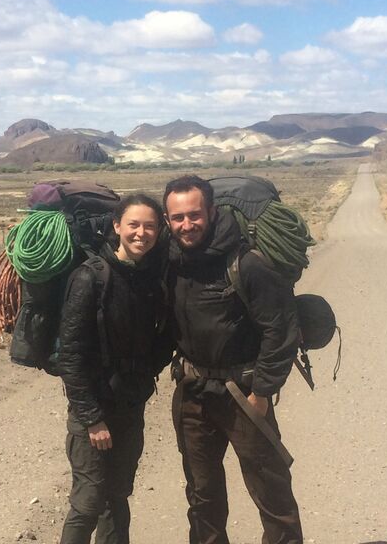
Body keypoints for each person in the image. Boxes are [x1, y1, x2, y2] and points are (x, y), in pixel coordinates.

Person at [163, 175, 303, 544]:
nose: (187, 225)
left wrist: (263, 390)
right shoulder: (170, 262)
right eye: (177, 218)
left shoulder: (245, 262)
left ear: (211, 211)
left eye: (194, 215)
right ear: (167, 220)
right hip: (193, 394)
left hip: (243, 393)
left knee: (271, 492)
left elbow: (281, 329)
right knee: (202, 496)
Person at [57, 193, 173, 544]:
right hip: (94, 411)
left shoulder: (150, 278)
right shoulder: (91, 278)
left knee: (118, 495)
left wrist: (141, 374)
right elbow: (71, 356)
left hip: (130, 406)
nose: (142, 233)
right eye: (134, 225)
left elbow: (162, 340)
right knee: (89, 501)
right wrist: (92, 418)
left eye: (150, 226)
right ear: (117, 226)